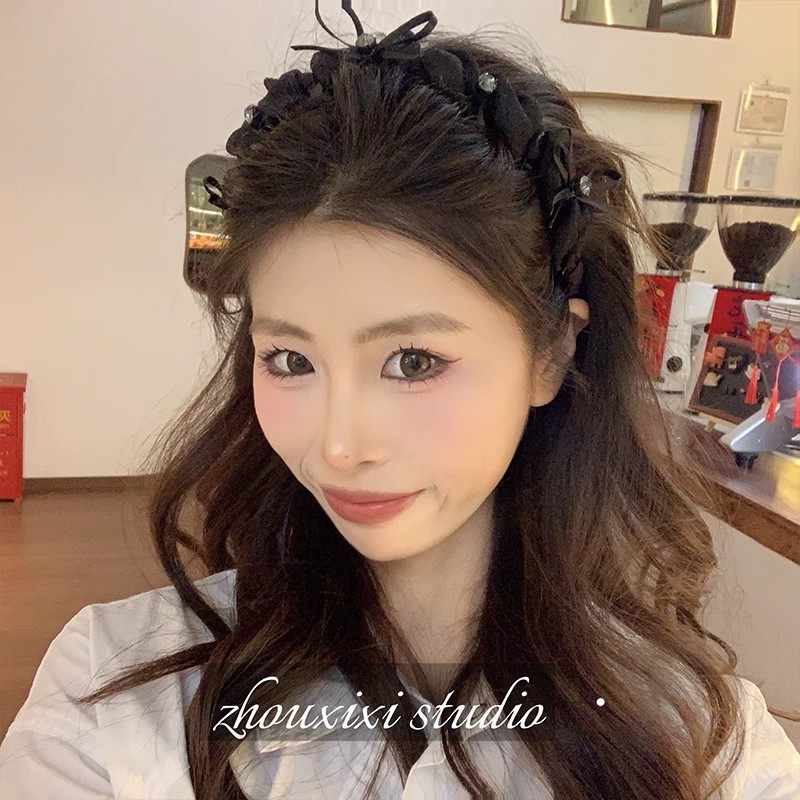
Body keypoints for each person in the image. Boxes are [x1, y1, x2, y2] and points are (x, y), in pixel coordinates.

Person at [2, 2, 799, 798]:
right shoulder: (116, 700)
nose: (339, 445)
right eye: (290, 359)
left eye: (413, 361)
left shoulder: (703, 746)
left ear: (552, 351)